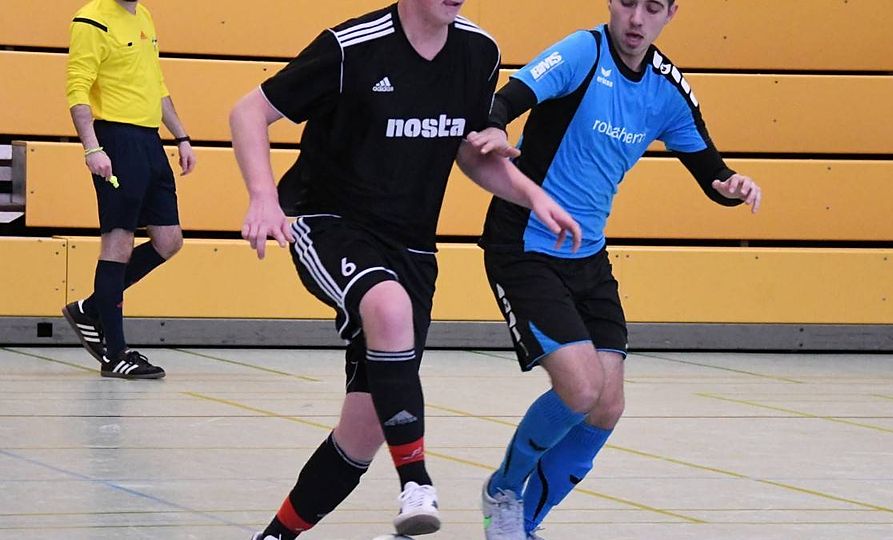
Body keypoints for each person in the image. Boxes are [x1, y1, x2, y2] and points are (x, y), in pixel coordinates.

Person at [228, 1, 581, 537]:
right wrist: (262, 197)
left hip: (413, 250)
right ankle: (416, 482)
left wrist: (533, 196)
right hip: (329, 222)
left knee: (364, 432)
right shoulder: (352, 47)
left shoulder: (478, 52)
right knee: (388, 306)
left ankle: (274, 537)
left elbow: (470, 154)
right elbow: (248, 112)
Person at [468, 0, 762, 538]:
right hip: (524, 244)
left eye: (652, 8)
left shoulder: (666, 88)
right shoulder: (583, 52)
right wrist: (493, 127)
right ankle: (503, 489)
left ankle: (524, 525)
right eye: (628, 2)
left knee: (606, 406)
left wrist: (731, 185)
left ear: (671, 13)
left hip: (588, 256)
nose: (636, 19)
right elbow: (510, 97)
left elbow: (711, 171)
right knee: (580, 389)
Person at [61, 0, 196, 380]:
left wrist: (181, 136)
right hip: (115, 139)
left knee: (169, 240)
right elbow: (77, 88)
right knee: (118, 242)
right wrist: (92, 148)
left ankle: (91, 309)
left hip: (149, 139)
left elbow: (157, 84)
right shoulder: (92, 19)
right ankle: (115, 354)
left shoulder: (144, 15)